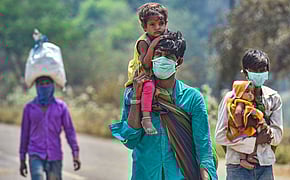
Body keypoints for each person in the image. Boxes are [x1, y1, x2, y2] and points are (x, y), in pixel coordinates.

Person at [110, 31, 218, 180]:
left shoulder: (192, 98)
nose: (162, 59)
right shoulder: (134, 92)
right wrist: (137, 97)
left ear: (178, 62)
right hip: (145, 174)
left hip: (180, 175)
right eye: (158, 54)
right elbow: (130, 139)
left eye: (168, 56)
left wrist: (206, 175)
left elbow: (203, 146)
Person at [215, 49, 283, 180]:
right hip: (237, 168)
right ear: (245, 72)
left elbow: (278, 136)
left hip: (265, 166)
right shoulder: (231, 98)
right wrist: (256, 141)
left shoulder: (273, 98)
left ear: (268, 71)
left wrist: (267, 133)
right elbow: (220, 136)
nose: (259, 74)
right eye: (254, 71)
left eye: (262, 70)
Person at [19, 76, 81, 180]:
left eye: (47, 83)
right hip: (35, 153)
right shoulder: (29, 108)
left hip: (55, 155)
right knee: (37, 176)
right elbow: (24, 134)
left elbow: (69, 131)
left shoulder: (61, 107)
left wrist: (75, 153)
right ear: (36, 87)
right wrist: (22, 158)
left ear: (53, 85)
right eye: (41, 84)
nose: (44, 86)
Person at [124, 2, 168, 135]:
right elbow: (146, 64)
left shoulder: (164, 36)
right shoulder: (144, 42)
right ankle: (146, 118)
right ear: (144, 27)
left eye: (161, 23)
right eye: (152, 25)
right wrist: (153, 45)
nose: (158, 28)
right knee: (149, 87)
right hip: (142, 75)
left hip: (153, 74)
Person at [226, 80, 268, 169]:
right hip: (242, 129)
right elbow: (237, 114)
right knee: (245, 141)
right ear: (239, 92)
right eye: (247, 92)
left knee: (251, 138)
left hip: (246, 126)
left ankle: (250, 156)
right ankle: (243, 160)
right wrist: (240, 126)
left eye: (252, 92)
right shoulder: (240, 102)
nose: (250, 94)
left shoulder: (248, 103)